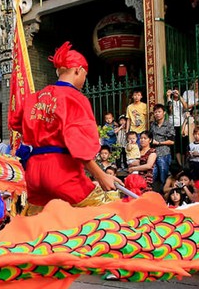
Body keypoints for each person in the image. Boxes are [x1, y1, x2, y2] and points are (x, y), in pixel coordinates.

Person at [8, 42, 117, 214]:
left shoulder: (34, 98)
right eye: (85, 75)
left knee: (40, 229)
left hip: (35, 173)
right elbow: (79, 144)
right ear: (77, 70)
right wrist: (101, 175)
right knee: (107, 213)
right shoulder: (75, 98)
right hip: (61, 172)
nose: (84, 80)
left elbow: (15, 122)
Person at [150, 104, 175, 188]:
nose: (157, 114)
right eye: (155, 112)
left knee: (163, 175)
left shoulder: (168, 125)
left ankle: (164, 193)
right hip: (153, 153)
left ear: (164, 113)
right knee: (153, 175)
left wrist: (159, 143)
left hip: (164, 153)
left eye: (159, 112)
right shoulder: (153, 125)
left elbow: (172, 141)